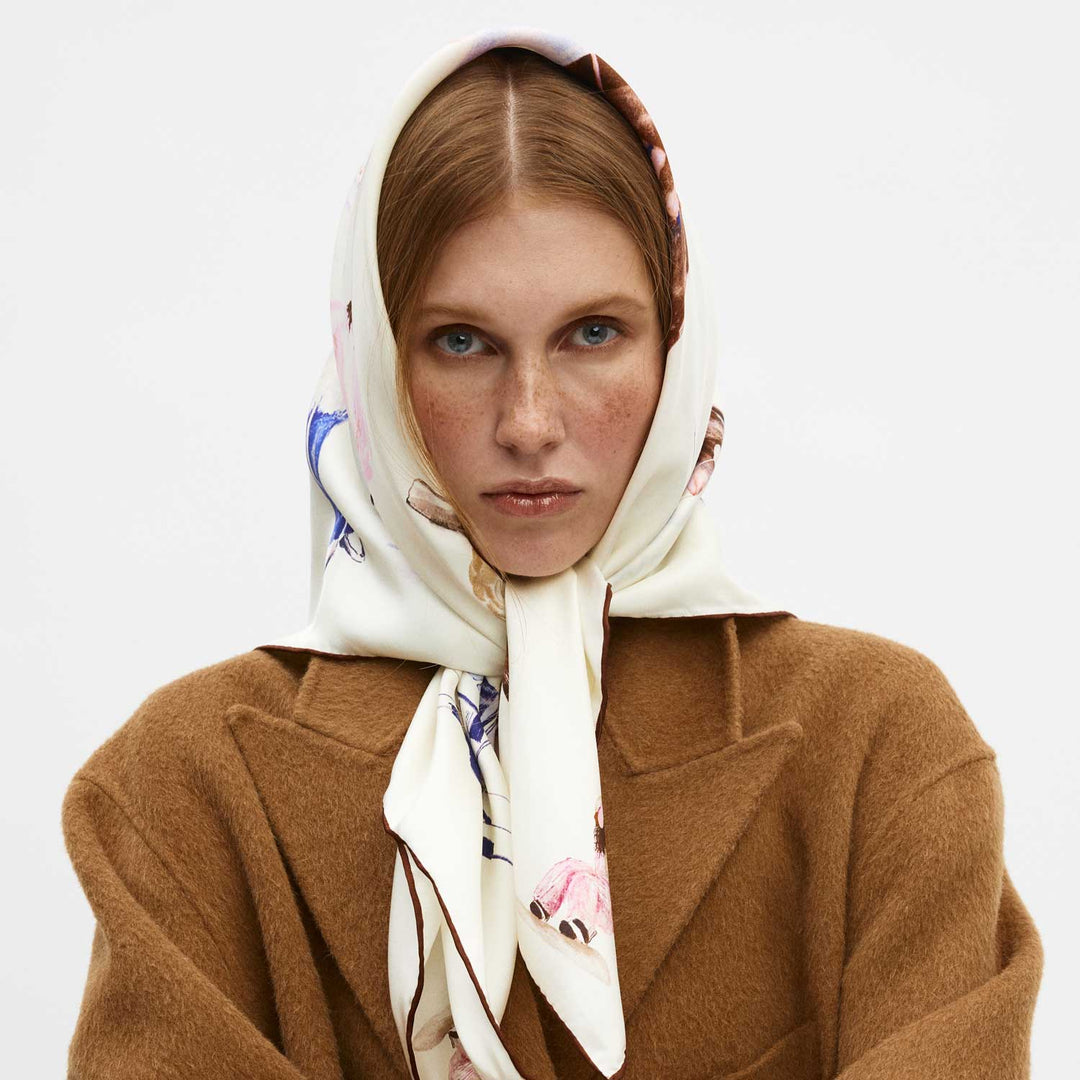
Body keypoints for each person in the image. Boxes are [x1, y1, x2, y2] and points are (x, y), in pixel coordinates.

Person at [60, 26, 1043, 1080]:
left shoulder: (879, 751)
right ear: (374, 360)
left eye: (591, 334)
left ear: (677, 342)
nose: (529, 421)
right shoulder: (184, 787)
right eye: (461, 341)